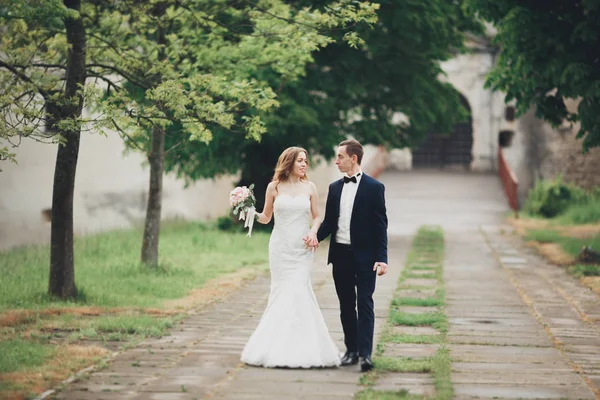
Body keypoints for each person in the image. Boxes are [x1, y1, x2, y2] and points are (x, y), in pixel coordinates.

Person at [240, 146, 340, 368]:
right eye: (300, 161)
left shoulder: (310, 187)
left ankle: (303, 347)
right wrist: (248, 211)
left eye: (306, 161)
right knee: (281, 292)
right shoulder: (274, 187)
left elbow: (316, 217)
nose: (304, 165)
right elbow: (266, 217)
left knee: (299, 290)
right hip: (280, 248)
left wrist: (313, 232)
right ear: (289, 163)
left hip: (302, 249)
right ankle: (274, 346)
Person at [308, 139, 388, 372]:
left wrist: (382, 258)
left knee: (365, 304)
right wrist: (313, 238)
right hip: (340, 255)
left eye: (340, 156)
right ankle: (351, 351)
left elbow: (380, 225)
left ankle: (366, 355)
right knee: (345, 305)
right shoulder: (334, 188)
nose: (336, 161)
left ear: (353, 158)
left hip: (366, 257)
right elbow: (330, 223)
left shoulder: (374, 188)